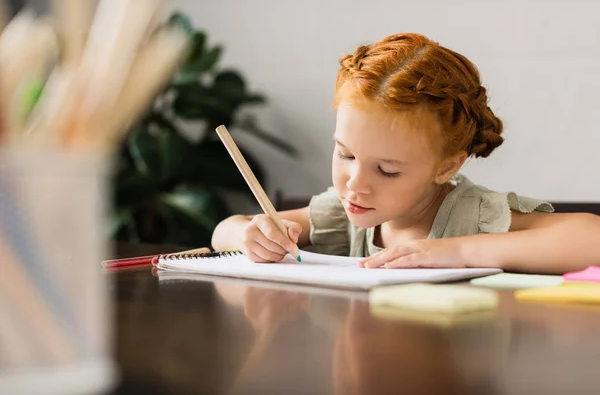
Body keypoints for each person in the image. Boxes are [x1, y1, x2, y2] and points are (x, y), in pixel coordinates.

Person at [212, 33, 600, 274]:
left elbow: (592, 239)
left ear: (447, 167)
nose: (355, 184)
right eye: (345, 155)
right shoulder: (343, 212)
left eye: (387, 170)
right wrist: (251, 236)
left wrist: (459, 251)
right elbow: (223, 232)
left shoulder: (470, 216)